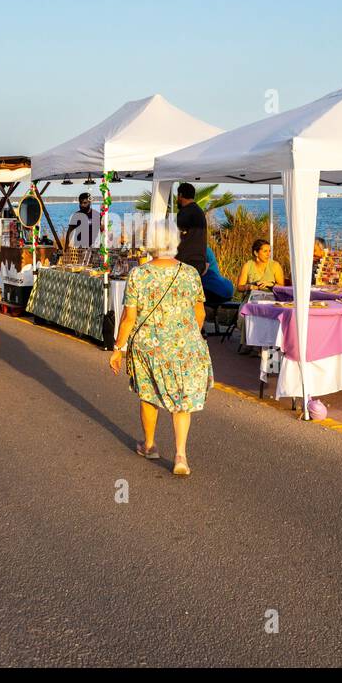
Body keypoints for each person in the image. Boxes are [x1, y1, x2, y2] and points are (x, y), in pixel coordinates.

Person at [110, 219, 212, 476]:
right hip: (185, 347)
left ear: (150, 243)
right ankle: (180, 455)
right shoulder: (190, 273)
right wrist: (187, 335)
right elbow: (200, 313)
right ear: (175, 242)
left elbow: (128, 319)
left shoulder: (139, 274)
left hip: (149, 347)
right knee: (182, 403)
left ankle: (150, 444)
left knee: (149, 395)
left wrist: (118, 348)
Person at [174, 182, 207, 274]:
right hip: (199, 262)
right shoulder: (199, 211)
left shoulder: (185, 212)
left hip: (186, 261)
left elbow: (176, 234)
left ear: (180, 195)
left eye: (177, 196)